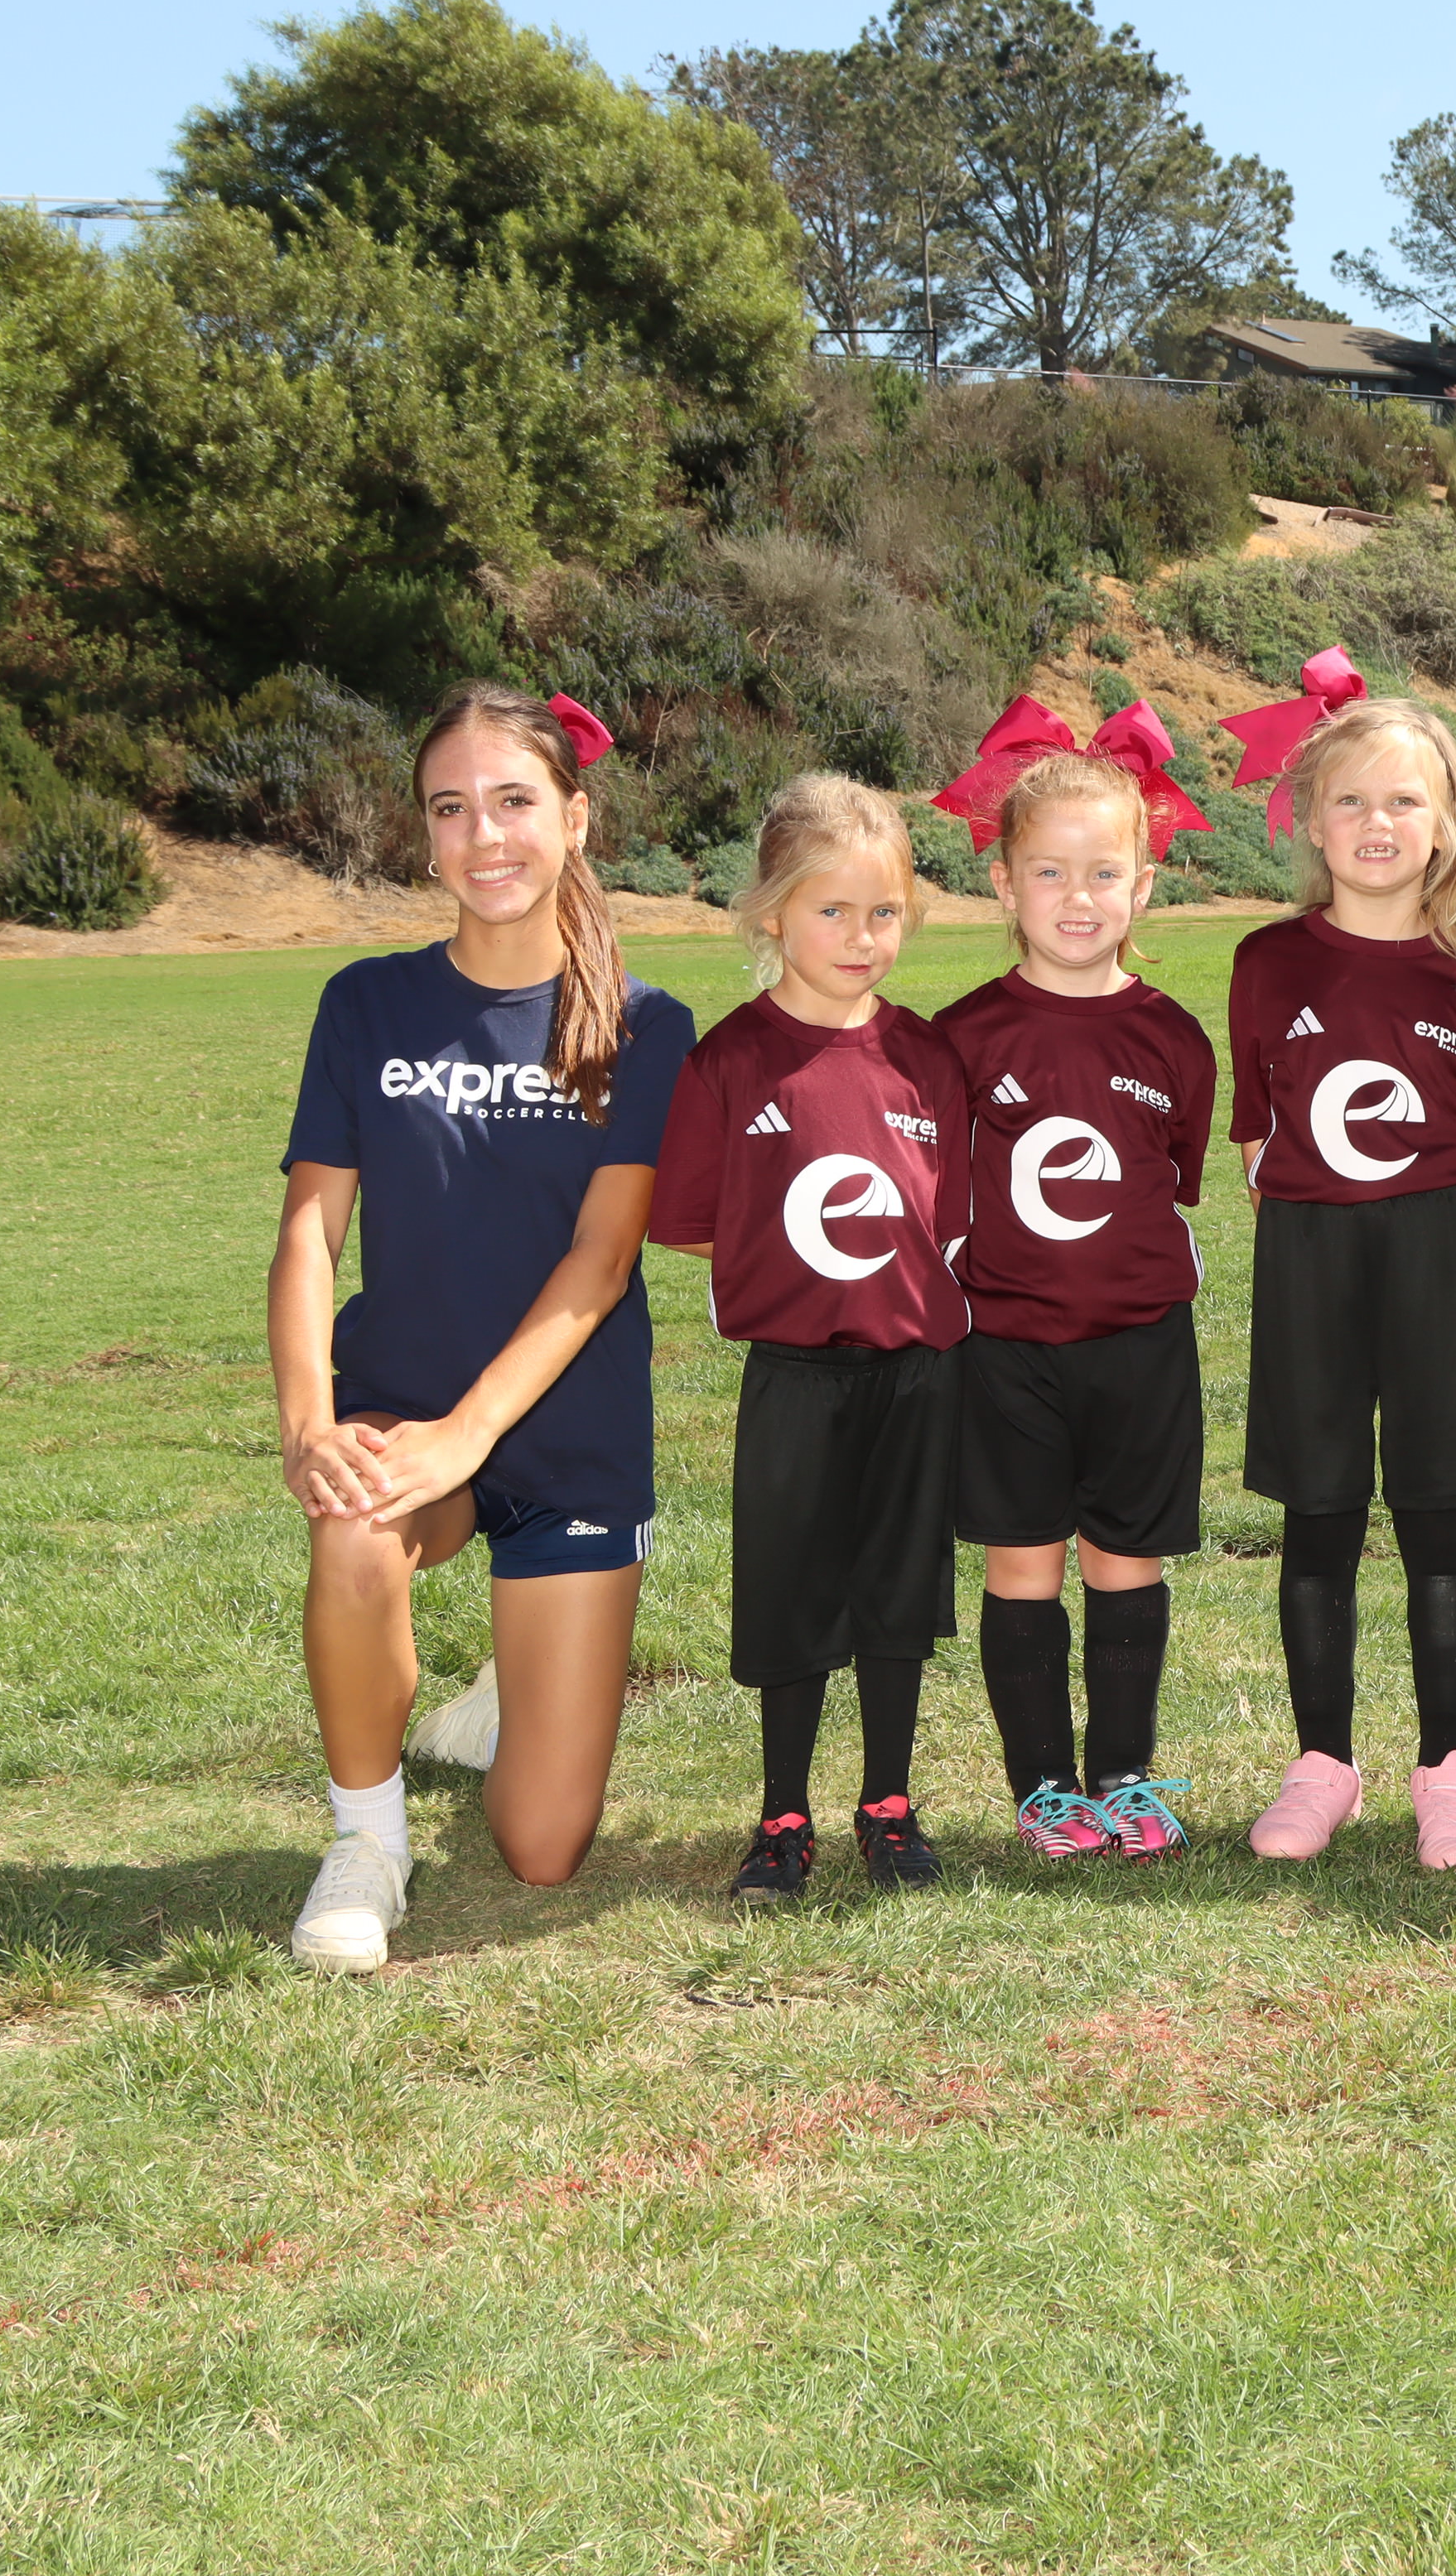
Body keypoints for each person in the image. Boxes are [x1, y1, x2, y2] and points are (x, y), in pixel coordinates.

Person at [268, 686, 695, 1976]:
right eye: (451, 809)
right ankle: (368, 1844)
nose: (484, 835)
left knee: (541, 1848)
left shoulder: (647, 1024)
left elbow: (600, 1262)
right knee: (354, 1532)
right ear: (426, 833)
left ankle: (503, 1700)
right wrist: (308, 1423)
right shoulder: (367, 1004)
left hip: (570, 1443)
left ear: (576, 818)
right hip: (401, 1414)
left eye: (514, 801)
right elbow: (309, 1236)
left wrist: (471, 1432)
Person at [649, 774, 970, 1908]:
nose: (860, 936)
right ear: (772, 913)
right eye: (832, 910)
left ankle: (888, 1803)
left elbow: (942, 1220)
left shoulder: (927, 1058)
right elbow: (694, 1220)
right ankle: (782, 1815)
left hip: (916, 1375)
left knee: (895, 1597)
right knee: (791, 1599)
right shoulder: (732, 1061)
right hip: (792, 1377)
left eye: (884, 912)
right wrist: (789, 1271)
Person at [1222, 693, 1456, 1870]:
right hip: (1310, 1249)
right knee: (1319, 1511)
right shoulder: (1268, 961)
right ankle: (1323, 1762)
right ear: (1310, 819)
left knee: (1437, 1514)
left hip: (1437, 1250)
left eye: (1405, 799)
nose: (1376, 822)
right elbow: (1256, 1130)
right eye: (1349, 800)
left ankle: (1449, 1768)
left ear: (1447, 822)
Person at [928, 703, 1220, 1865]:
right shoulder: (959, 1038)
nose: (1078, 897)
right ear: (1004, 884)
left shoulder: (1174, 1040)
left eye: (1104, 873)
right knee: (1023, 1565)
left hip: (1140, 1342)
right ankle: (1046, 1787)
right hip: (1005, 1346)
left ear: (1142, 885)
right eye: (1049, 872)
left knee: (1126, 1561)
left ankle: (1126, 1774)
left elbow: (1172, 1178)